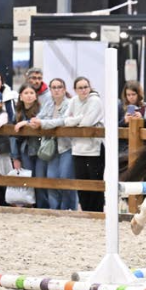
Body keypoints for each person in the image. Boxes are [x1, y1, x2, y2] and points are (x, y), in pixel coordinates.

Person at [32, 78, 78, 210]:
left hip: (66, 146)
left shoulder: (70, 103)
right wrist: (33, 122)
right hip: (51, 147)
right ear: (50, 90)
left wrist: (43, 123)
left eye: (59, 87)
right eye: (54, 87)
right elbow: (40, 117)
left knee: (65, 178)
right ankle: (54, 209)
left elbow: (62, 121)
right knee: (51, 178)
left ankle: (68, 209)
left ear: (64, 89)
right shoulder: (48, 104)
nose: (57, 90)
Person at [63, 77, 105, 212]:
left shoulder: (95, 101)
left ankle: (97, 212)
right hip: (77, 148)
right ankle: (85, 211)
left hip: (94, 149)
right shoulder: (73, 101)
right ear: (75, 90)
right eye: (80, 88)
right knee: (81, 183)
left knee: (95, 183)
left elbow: (87, 123)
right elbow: (65, 120)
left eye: (86, 87)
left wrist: (75, 120)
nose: (84, 90)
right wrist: (80, 118)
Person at [12, 84, 45, 208]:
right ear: (20, 96)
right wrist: (15, 156)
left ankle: (42, 206)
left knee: (40, 179)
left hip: (40, 149)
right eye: (26, 93)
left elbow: (41, 121)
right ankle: (30, 205)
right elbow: (13, 136)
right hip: (24, 150)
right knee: (28, 179)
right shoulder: (17, 113)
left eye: (32, 93)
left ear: (36, 96)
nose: (29, 95)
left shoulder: (41, 110)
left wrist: (25, 122)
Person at [118, 80, 146, 154]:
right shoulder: (120, 107)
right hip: (123, 149)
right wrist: (124, 121)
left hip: (142, 148)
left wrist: (142, 120)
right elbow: (112, 128)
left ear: (139, 94)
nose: (131, 97)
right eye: (128, 95)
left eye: (133, 94)